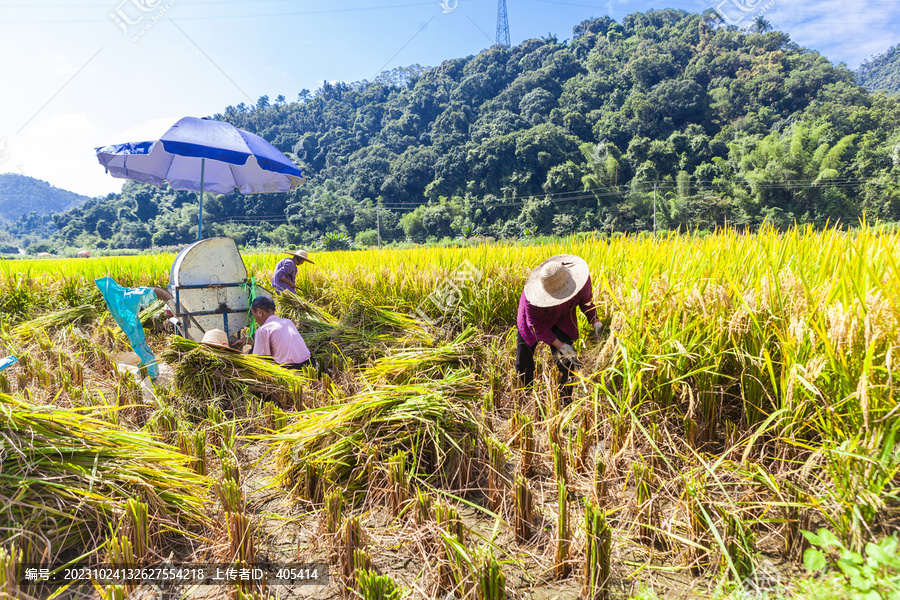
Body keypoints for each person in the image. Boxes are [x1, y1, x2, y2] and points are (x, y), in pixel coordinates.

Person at [516, 254, 602, 404]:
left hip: (563, 317)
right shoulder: (532, 301)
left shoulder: (582, 281)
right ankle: (527, 398)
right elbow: (536, 326)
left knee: (568, 361)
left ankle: (565, 401)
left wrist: (595, 321)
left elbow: (586, 302)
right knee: (523, 362)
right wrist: (561, 345)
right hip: (537, 321)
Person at [247, 296, 313, 370]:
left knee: (252, 356)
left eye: (253, 314)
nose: (254, 319)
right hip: (310, 365)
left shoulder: (263, 330)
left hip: (292, 370)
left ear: (259, 312)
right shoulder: (288, 322)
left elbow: (261, 360)